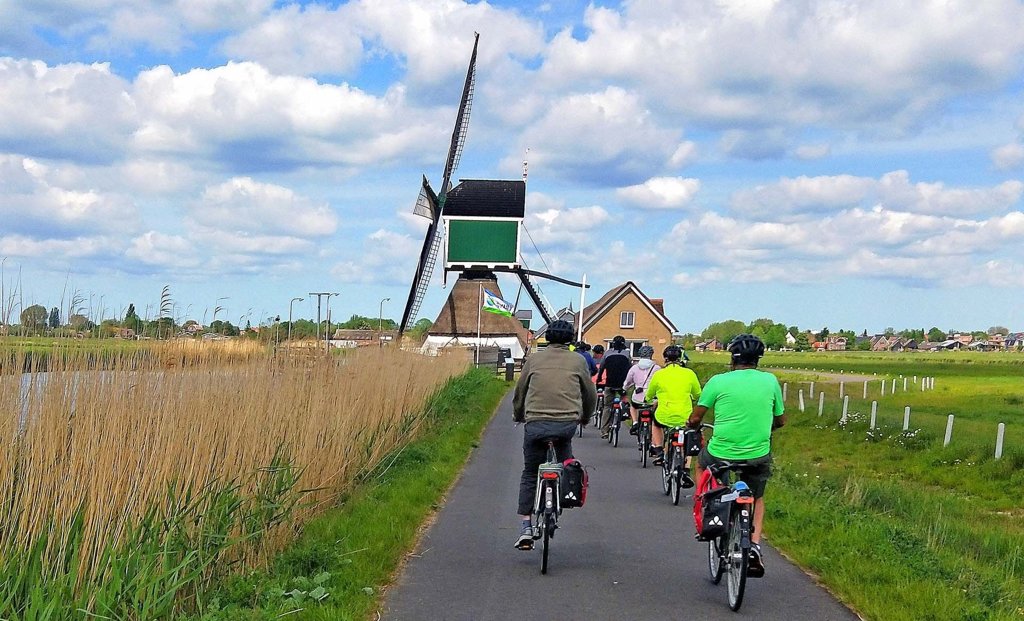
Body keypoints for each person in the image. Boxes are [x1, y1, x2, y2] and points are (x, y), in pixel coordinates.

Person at [687, 334, 785, 577]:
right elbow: (780, 420)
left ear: (733, 358)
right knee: (757, 497)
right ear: (758, 360)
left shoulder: (718, 381)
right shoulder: (770, 381)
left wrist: (692, 424)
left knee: (701, 464)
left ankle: (706, 504)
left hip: (720, 451)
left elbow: (697, 417)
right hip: (758, 454)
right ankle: (754, 547)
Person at [512, 319, 597, 550]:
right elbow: (590, 393)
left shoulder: (534, 359)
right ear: (570, 339)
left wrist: (519, 414)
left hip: (536, 423)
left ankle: (526, 527)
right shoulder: (578, 360)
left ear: (547, 337)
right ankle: (563, 494)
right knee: (564, 461)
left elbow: (520, 391)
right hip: (566, 424)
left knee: (530, 472)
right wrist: (586, 416)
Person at [644, 345, 702, 470]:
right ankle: (686, 468)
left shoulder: (659, 374)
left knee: (656, 423)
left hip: (664, 415)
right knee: (688, 434)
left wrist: (648, 399)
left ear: (665, 358)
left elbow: (649, 394)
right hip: (684, 416)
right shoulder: (689, 374)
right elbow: (698, 394)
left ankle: (659, 450)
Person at [596, 335, 632, 439]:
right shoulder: (627, 354)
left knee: (607, 406)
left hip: (609, 383)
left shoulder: (607, 353)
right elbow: (630, 368)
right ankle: (624, 412)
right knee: (624, 398)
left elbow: (602, 367)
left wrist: (599, 379)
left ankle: (604, 431)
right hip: (622, 384)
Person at [623, 345, 660, 434]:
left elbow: (628, 381)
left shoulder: (634, 368)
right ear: (651, 355)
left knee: (633, 406)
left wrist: (625, 388)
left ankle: (635, 422)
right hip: (652, 398)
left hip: (638, 398)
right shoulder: (657, 368)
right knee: (656, 409)